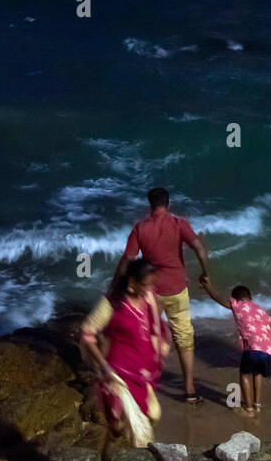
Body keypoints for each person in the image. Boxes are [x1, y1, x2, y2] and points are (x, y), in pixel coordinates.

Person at [110, 187, 210, 405]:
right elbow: (199, 249)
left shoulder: (141, 228)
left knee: (146, 338)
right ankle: (189, 390)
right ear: (168, 203)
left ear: (150, 205)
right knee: (184, 338)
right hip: (177, 289)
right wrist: (205, 274)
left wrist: (115, 287)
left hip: (150, 292)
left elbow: (127, 259)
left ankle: (143, 386)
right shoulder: (179, 224)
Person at [80, 258, 170, 447]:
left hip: (144, 370)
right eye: (145, 285)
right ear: (131, 283)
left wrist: (162, 340)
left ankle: (120, 445)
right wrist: (104, 367)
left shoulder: (149, 297)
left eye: (152, 284)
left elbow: (156, 323)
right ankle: (114, 451)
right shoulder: (112, 304)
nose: (149, 289)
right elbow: (88, 333)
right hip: (119, 373)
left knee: (153, 414)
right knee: (119, 424)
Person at [201, 278, 271, 416]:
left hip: (252, 348)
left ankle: (249, 408)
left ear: (235, 298)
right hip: (268, 348)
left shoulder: (237, 305)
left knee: (244, 374)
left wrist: (207, 286)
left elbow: (217, 297)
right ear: (250, 297)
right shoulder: (260, 310)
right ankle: (257, 404)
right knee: (257, 374)